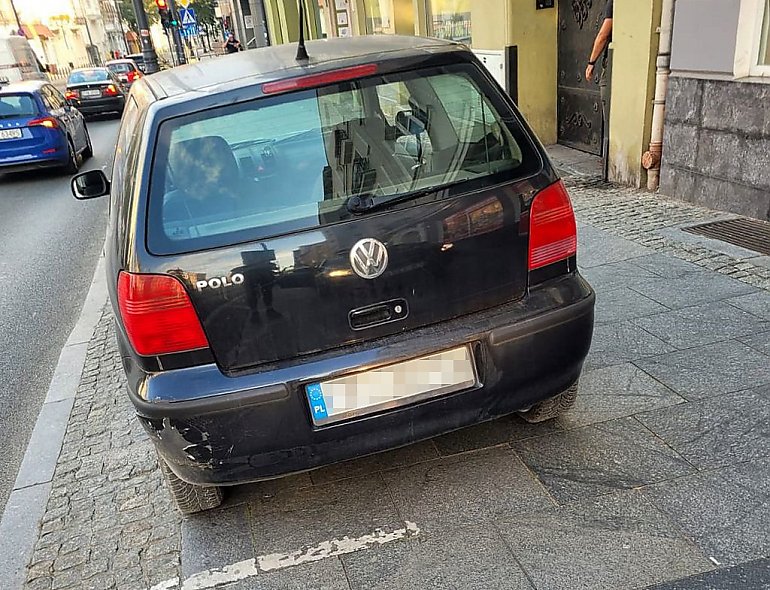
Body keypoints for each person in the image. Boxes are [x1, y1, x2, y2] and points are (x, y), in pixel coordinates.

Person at [585, 0, 613, 174]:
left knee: (607, 108)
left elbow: (603, 34)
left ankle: (608, 158)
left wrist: (591, 63)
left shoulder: (613, 3)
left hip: (610, 64)